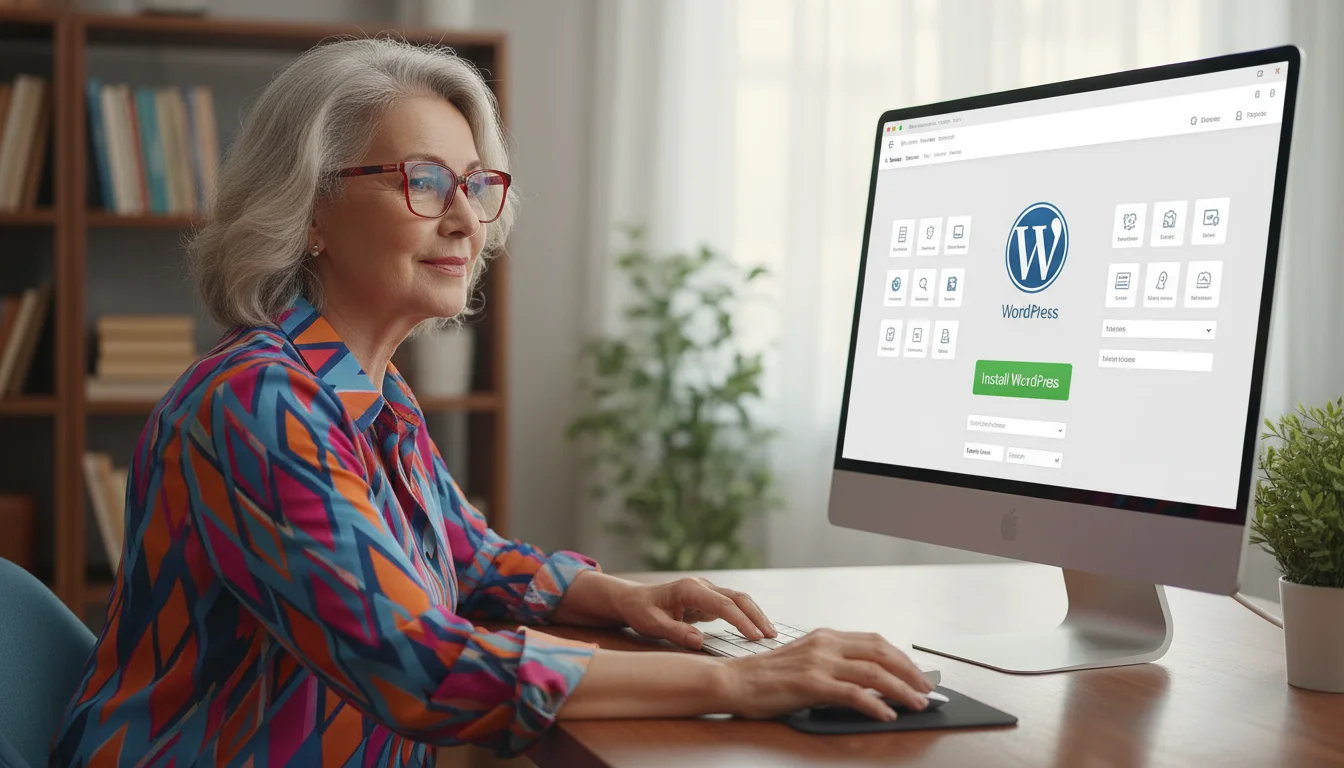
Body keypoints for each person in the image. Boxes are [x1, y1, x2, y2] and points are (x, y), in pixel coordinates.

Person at [49, 37, 933, 767]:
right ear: (311, 205)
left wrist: (622, 597)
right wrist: (744, 682)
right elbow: (418, 666)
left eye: (476, 184)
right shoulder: (255, 402)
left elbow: (470, 560)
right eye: (424, 181)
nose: (468, 220)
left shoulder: (369, 394)